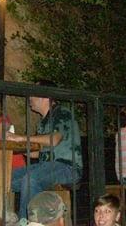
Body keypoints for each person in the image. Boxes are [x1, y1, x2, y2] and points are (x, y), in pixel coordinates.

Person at [7, 81, 82, 219]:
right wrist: (12, 146)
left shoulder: (61, 112)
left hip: (67, 167)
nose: (30, 97)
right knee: (5, 178)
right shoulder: (43, 122)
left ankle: (28, 222)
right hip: (46, 166)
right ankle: (6, 218)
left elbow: (54, 140)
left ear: (45, 96)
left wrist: (21, 138)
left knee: (31, 179)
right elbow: (36, 153)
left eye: (33, 93)